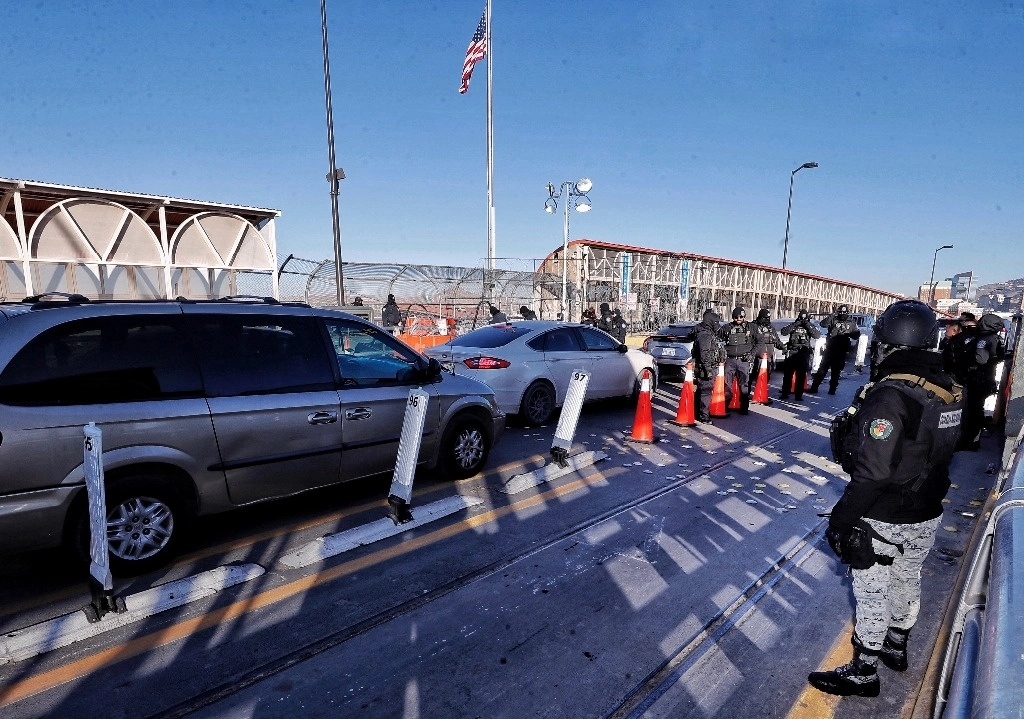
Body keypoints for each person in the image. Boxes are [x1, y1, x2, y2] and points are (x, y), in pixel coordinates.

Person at [808, 299, 963, 698]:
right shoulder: (948, 387)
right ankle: (897, 646)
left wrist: (841, 519)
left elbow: (874, 472)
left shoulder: (890, 395)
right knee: (907, 578)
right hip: (927, 508)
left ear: (889, 341)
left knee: (872, 589)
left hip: (884, 513)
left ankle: (863, 672)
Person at [957, 312, 1004, 451]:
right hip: (987, 378)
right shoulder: (996, 338)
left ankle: (970, 442)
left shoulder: (983, 339)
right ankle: (972, 441)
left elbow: (980, 359)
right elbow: (998, 357)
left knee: (972, 412)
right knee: (977, 411)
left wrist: (969, 356)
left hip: (977, 379)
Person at [810, 304, 861, 395]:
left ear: (847, 313)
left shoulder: (851, 322)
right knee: (822, 369)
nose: (842, 314)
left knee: (836, 371)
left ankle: (832, 389)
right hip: (830, 349)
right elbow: (823, 324)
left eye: (844, 312)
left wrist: (848, 334)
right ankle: (814, 387)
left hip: (841, 350)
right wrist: (832, 315)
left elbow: (856, 335)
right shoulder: (834, 319)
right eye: (840, 312)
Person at [718, 306, 755, 414]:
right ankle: (724, 406)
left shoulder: (751, 327)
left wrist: (752, 354)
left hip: (744, 361)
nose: (738, 319)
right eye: (736, 317)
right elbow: (718, 340)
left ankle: (744, 408)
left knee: (744, 385)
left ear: (744, 317)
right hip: (730, 360)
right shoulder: (727, 328)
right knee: (727, 385)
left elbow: (760, 341)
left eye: (741, 316)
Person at [780, 309, 820, 401]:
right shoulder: (794, 324)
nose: (802, 320)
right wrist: (796, 324)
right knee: (787, 375)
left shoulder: (809, 326)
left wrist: (807, 324)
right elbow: (784, 332)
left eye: (804, 318)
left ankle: (798, 395)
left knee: (801, 376)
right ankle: (785, 393)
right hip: (792, 352)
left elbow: (817, 335)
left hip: (803, 353)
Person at [692, 310, 724, 423]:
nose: (717, 324)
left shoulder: (709, 333)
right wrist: (708, 369)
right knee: (706, 392)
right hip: (706, 368)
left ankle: (697, 413)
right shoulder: (705, 335)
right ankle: (704, 416)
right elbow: (704, 353)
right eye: (715, 322)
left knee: (702, 391)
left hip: (708, 366)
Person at [750, 308, 782, 404]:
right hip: (756, 356)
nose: (767, 320)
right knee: (751, 376)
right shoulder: (753, 326)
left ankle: (762, 394)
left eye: (768, 318)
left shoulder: (770, 328)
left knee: (765, 377)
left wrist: (783, 348)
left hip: (768, 357)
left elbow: (776, 340)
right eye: (765, 318)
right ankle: (746, 394)